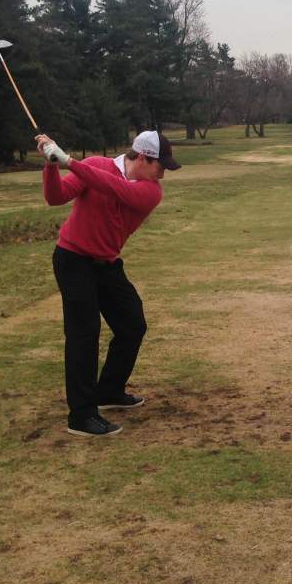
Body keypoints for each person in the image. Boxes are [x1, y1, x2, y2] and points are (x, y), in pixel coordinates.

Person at [35, 130, 181, 437]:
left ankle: (108, 390)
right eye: (160, 165)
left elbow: (115, 189)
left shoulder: (150, 191)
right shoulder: (97, 165)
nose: (164, 173)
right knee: (83, 333)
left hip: (107, 264)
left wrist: (69, 161)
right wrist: (51, 164)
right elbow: (55, 197)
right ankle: (81, 414)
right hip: (73, 259)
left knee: (132, 325)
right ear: (142, 157)